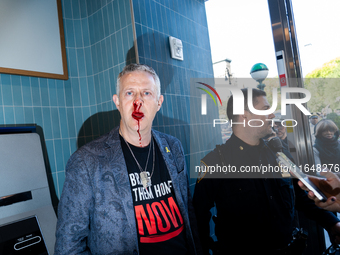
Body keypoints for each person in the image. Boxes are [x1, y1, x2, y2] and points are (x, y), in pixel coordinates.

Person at [55, 64, 201, 255]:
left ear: (159, 102)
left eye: (147, 93)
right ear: (117, 102)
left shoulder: (173, 147)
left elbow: (187, 214)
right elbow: (68, 246)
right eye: (130, 93)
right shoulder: (86, 161)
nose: (137, 102)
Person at [193, 88, 340, 255]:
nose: (272, 115)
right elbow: (198, 217)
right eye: (265, 110)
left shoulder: (279, 154)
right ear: (244, 115)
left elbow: (300, 195)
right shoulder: (215, 162)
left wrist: (332, 223)